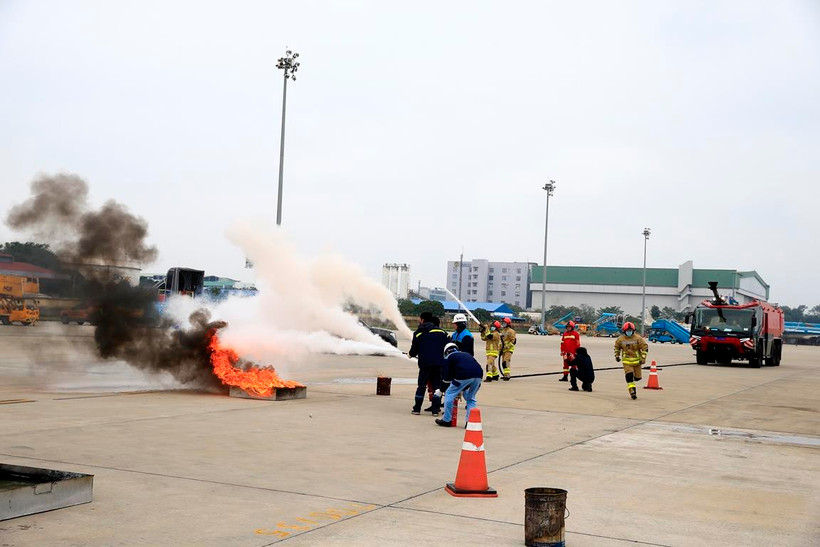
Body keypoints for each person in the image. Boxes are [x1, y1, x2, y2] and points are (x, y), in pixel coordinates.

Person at [408, 311, 448, 415]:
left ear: (422, 319)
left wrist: (410, 354)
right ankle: (435, 410)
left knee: (421, 386)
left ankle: (417, 409)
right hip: (439, 364)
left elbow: (413, 351)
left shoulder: (418, 333)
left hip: (425, 365)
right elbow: (447, 348)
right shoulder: (442, 332)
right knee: (437, 387)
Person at [435, 343, 484, 427]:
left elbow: (447, 378)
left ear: (446, 352)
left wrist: (441, 390)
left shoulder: (449, 357)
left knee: (449, 394)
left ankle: (447, 420)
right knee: (471, 398)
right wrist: (463, 389)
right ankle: (470, 422)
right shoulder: (466, 354)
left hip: (463, 376)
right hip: (478, 375)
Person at [613, 321, 648, 400]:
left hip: (637, 362)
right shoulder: (620, 339)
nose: (629, 332)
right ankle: (632, 391)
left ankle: (636, 378)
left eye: (630, 331)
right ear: (624, 331)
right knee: (629, 377)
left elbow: (645, 348)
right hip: (627, 362)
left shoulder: (638, 338)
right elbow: (616, 348)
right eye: (627, 331)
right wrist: (617, 356)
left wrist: (643, 358)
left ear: (633, 331)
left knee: (638, 378)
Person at [559, 320, 581, 387]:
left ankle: (572, 378)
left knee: (573, 366)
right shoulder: (564, 334)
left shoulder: (576, 334)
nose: (568, 328)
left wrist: (577, 352)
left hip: (573, 352)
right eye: (567, 327)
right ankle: (565, 376)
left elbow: (578, 344)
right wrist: (562, 351)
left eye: (569, 327)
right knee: (565, 365)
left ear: (572, 327)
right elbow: (562, 343)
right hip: (566, 352)